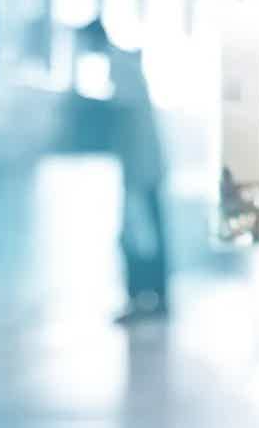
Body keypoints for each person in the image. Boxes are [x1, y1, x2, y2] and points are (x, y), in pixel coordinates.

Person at [76, 18, 170, 323]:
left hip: (140, 167)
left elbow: (120, 112)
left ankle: (143, 300)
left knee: (139, 236)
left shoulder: (120, 66)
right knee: (147, 233)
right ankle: (153, 300)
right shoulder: (125, 63)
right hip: (144, 165)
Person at [220, 166, 259, 242]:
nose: (230, 177)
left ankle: (256, 233)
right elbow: (237, 186)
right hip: (233, 208)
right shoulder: (224, 185)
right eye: (228, 175)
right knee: (258, 211)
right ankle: (257, 234)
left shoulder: (229, 185)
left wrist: (251, 184)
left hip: (235, 207)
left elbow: (239, 185)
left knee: (258, 211)